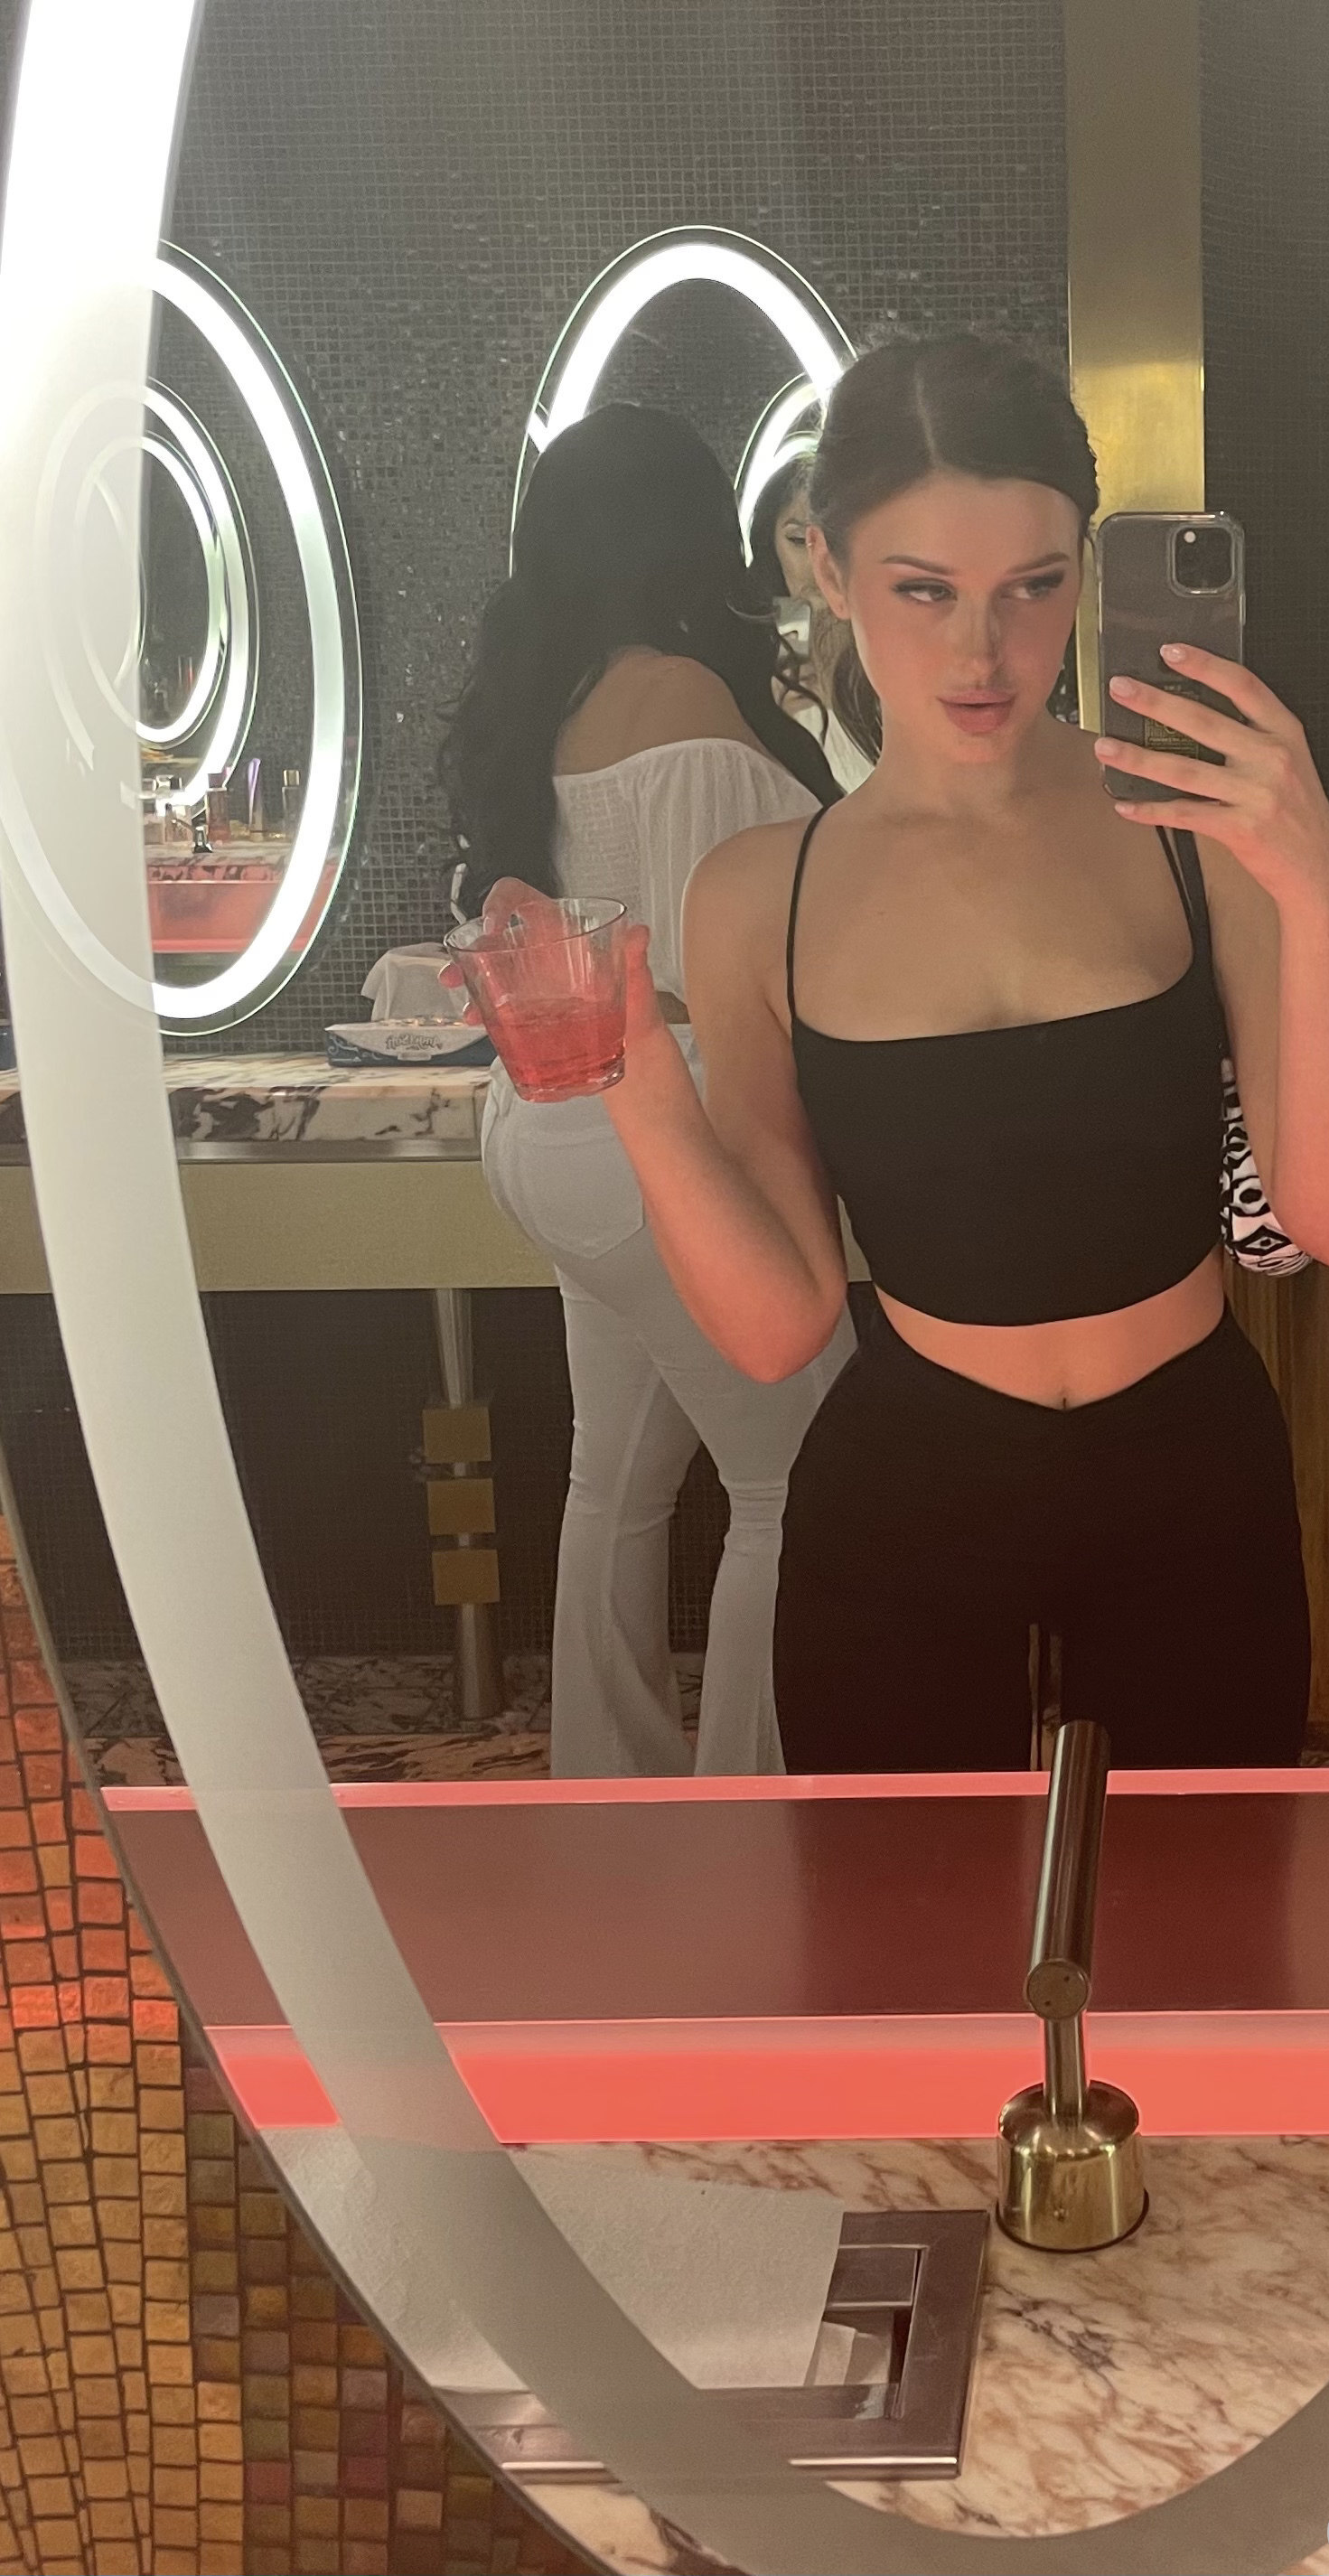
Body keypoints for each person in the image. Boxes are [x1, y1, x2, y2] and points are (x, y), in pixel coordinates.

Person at [600, 337, 1329, 1772]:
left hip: (1190, 1476)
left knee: (1206, 1909)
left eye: (1032, 586)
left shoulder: (1191, 826)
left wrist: (1319, 879)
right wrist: (635, 1087)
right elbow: (780, 1325)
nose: (983, 654)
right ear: (829, 568)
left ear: (1083, 571)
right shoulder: (758, 893)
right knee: (901, 1917)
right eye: (924, 590)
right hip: (909, 1490)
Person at [436, 403, 855, 1778]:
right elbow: (727, 970)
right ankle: (761, 1824)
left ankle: (609, 1798)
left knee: (613, 1478)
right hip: (661, 1135)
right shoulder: (683, 698)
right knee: (794, 1480)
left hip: (553, 1131)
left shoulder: (551, 699)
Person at [744, 452, 877, 793]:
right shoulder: (757, 640)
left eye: (834, 540)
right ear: (770, 543)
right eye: (797, 540)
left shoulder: (895, 635)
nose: (817, 560)